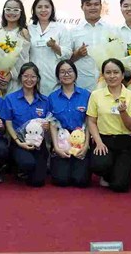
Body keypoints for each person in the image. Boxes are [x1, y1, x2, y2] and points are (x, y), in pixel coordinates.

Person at [87, 58, 131, 192]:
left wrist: (123, 113)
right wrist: (98, 142)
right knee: (99, 165)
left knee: (119, 186)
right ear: (103, 75)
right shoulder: (96, 95)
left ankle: (116, 171)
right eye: (108, 72)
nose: (112, 76)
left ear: (122, 75)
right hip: (104, 139)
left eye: (116, 72)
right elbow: (91, 121)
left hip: (124, 141)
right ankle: (106, 172)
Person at [2, 63, 50, 187]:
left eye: (33, 76)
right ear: (20, 78)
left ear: (38, 79)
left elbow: (50, 122)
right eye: (26, 76)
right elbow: (8, 123)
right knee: (27, 164)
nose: (29, 80)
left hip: (39, 143)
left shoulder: (45, 100)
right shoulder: (10, 99)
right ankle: (14, 164)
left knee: (38, 182)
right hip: (19, 143)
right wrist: (18, 141)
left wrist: (47, 126)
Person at [49, 60, 91, 188]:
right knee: (61, 181)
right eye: (62, 72)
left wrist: (86, 146)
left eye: (69, 71)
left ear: (75, 74)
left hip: (81, 140)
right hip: (62, 140)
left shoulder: (86, 95)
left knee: (81, 181)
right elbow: (52, 124)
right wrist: (56, 147)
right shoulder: (52, 97)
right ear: (58, 76)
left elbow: (90, 122)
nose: (66, 74)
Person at [28, 0, 70, 95]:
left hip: (54, 77)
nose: (43, 10)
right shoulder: (28, 29)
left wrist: (55, 46)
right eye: (39, 7)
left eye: (47, 7)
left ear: (52, 9)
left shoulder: (60, 28)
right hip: (32, 78)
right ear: (34, 9)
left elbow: (68, 54)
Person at [69, 0, 111, 90]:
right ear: (82, 7)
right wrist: (77, 54)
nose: (92, 8)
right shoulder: (73, 31)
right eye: (88, 5)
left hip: (108, 86)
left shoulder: (112, 29)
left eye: (96, 4)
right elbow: (67, 61)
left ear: (101, 6)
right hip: (81, 86)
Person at [0, 0, 31, 96]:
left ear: (21, 12)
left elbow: (24, 59)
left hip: (15, 80)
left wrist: (10, 75)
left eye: (16, 10)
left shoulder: (23, 32)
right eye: (8, 9)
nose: (11, 12)